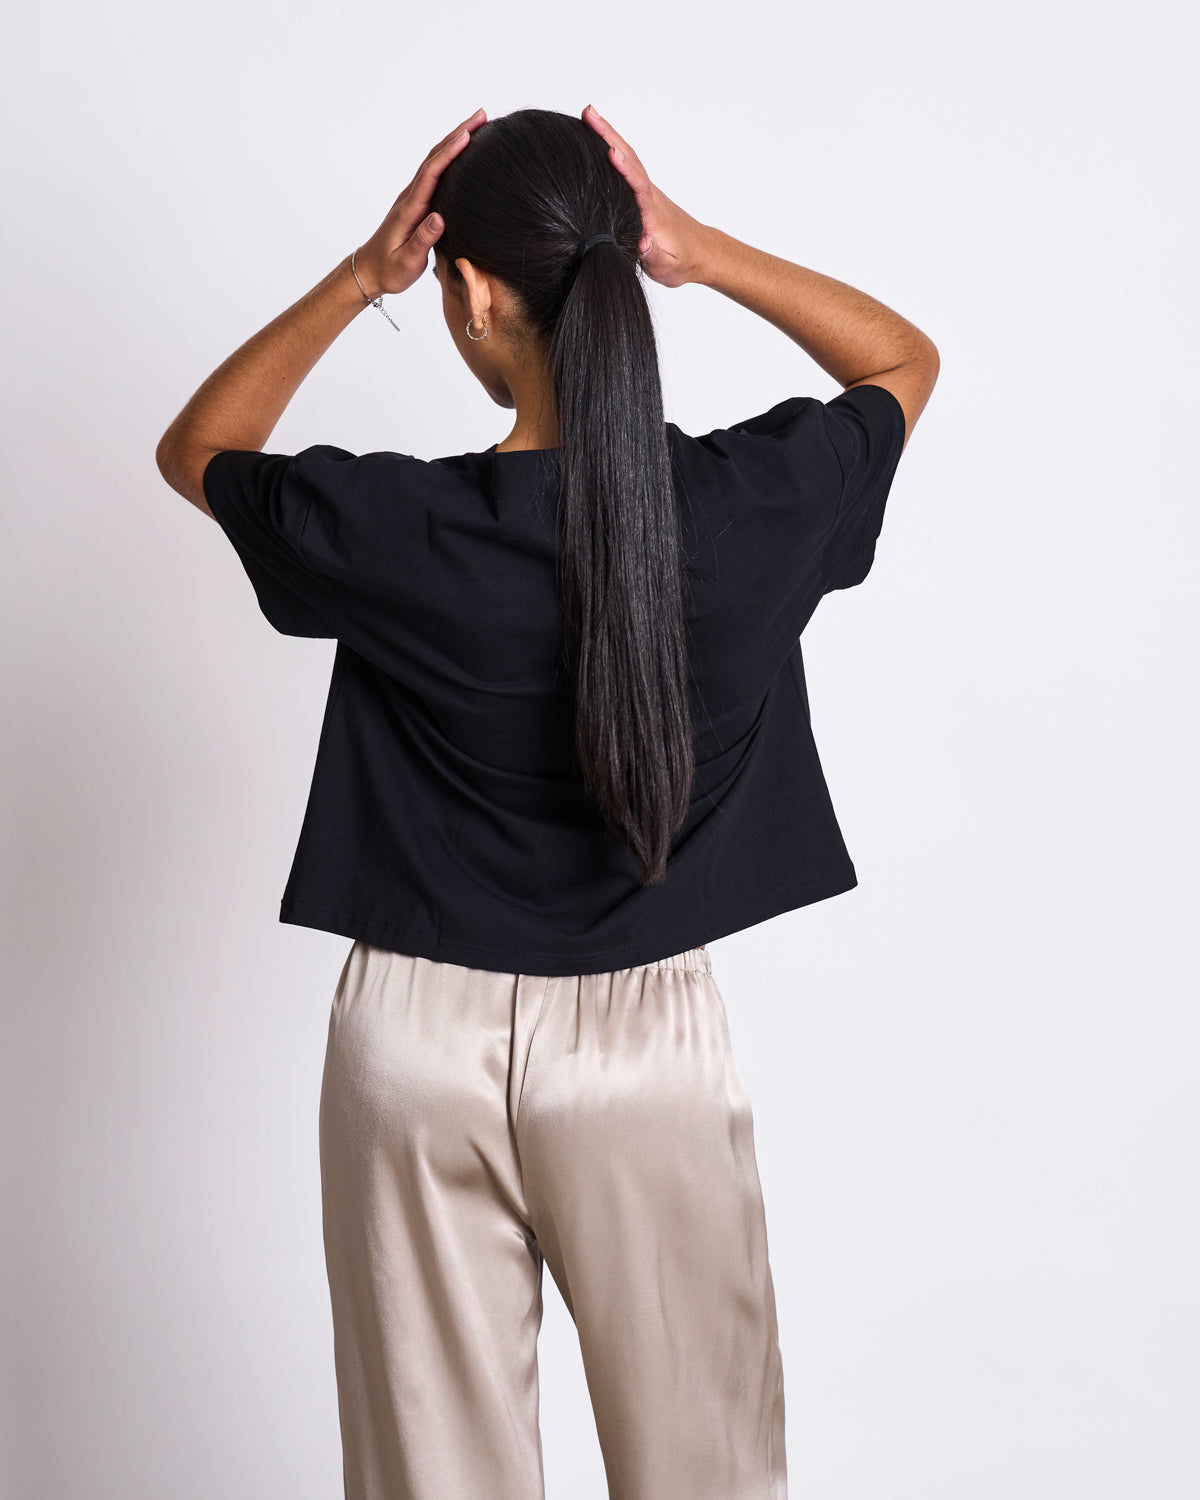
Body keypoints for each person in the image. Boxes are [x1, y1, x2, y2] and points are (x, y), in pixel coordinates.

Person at [156, 103, 938, 1500]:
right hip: (647, 1044)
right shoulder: (748, 505)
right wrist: (698, 252)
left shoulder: (393, 527)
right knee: (707, 1473)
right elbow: (901, 359)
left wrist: (357, 277)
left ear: (467, 290)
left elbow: (200, 444)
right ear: (623, 273)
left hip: (412, 1038)